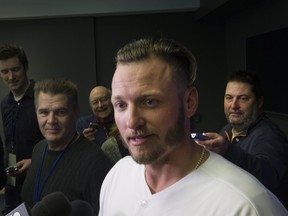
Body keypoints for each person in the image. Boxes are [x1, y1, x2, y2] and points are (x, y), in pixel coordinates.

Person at [98, 38, 288, 216]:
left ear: (189, 102)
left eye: (149, 102)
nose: (131, 121)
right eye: (121, 105)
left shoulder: (244, 206)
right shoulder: (117, 176)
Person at [195, 70, 288, 208]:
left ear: (259, 102)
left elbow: (268, 178)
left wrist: (227, 150)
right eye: (229, 98)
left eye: (243, 98)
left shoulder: (270, 136)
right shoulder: (227, 130)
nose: (234, 105)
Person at [21, 78, 113, 215]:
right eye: (44, 112)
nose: (51, 121)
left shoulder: (97, 164)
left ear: (76, 113)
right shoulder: (38, 149)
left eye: (60, 112)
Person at [0, 43, 44, 213]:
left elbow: (59, 141)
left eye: (15, 69)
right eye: (4, 71)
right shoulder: (5, 104)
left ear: (25, 67)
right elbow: (9, 144)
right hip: (13, 186)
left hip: (40, 180)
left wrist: (36, 162)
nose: (11, 76)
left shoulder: (42, 97)